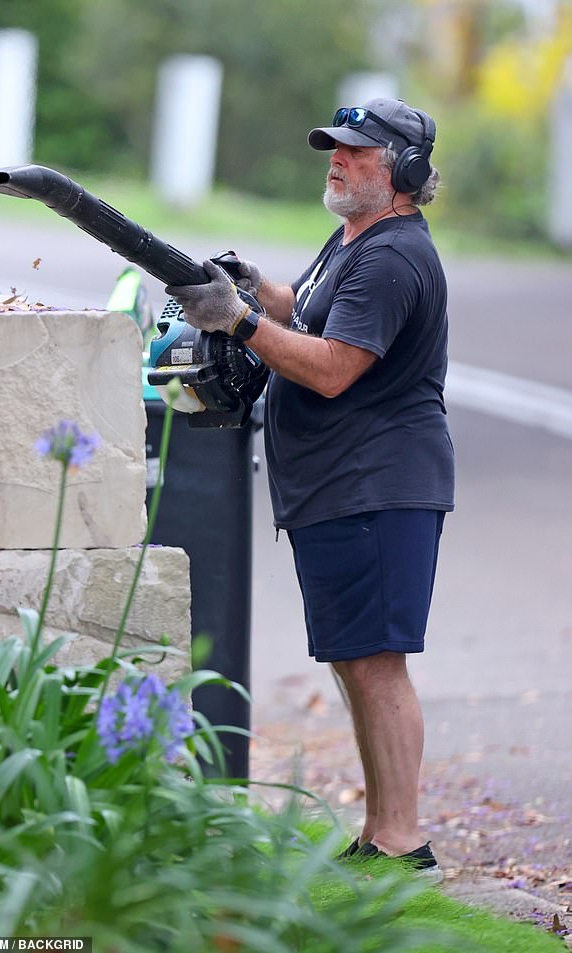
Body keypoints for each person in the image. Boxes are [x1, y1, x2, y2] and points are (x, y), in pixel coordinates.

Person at [166, 97, 455, 882]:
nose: (336, 158)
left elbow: (332, 367)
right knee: (355, 659)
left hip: (376, 485)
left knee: (377, 663)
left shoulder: (394, 256)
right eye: (333, 146)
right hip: (342, 485)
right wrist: (253, 286)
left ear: (403, 172)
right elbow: (315, 312)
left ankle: (401, 840)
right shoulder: (356, 238)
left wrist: (239, 323)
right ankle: (380, 832)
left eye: (357, 152)